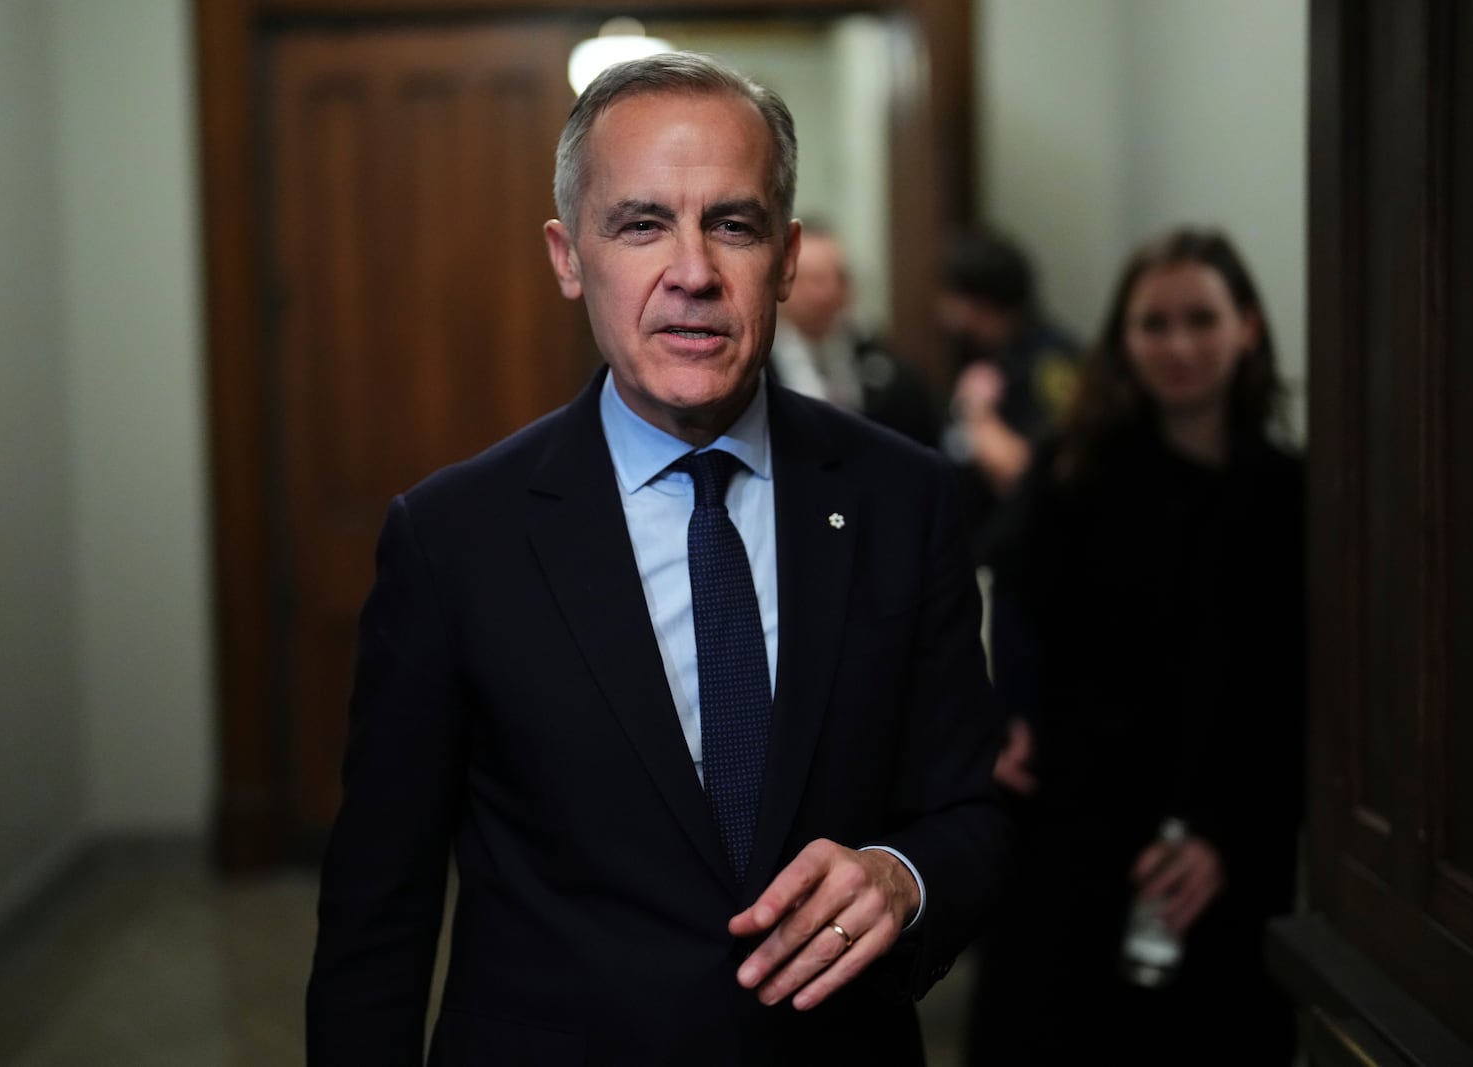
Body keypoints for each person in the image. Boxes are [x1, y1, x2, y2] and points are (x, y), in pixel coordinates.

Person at [305, 52, 1005, 1066]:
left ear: (789, 253)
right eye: (641, 223)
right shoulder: (455, 537)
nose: (692, 271)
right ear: (567, 255)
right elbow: (379, 906)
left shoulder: (902, 498)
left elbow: (971, 813)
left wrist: (904, 872)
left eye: (733, 222)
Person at [963, 227, 1305, 1066]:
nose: (1178, 343)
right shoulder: (1073, 470)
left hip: (1229, 846)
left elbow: (1300, 690)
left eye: (1200, 317)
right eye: (1154, 323)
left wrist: (1226, 835)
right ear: (1124, 339)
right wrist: (1006, 713)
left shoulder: (1293, 493)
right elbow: (1010, 602)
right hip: (1074, 834)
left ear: (1247, 327)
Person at [937, 228, 1080, 554]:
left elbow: (1028, 478)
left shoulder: (1049, 364)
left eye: (954, 298)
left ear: (982, 304)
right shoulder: (985, 358)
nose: (944, 313)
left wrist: (977, 415)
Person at [769, 220, 940, 447]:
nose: (827, 293)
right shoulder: (760, 367)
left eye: (838, 278)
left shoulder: (882, 365)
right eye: (813, 280)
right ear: (783, 283)